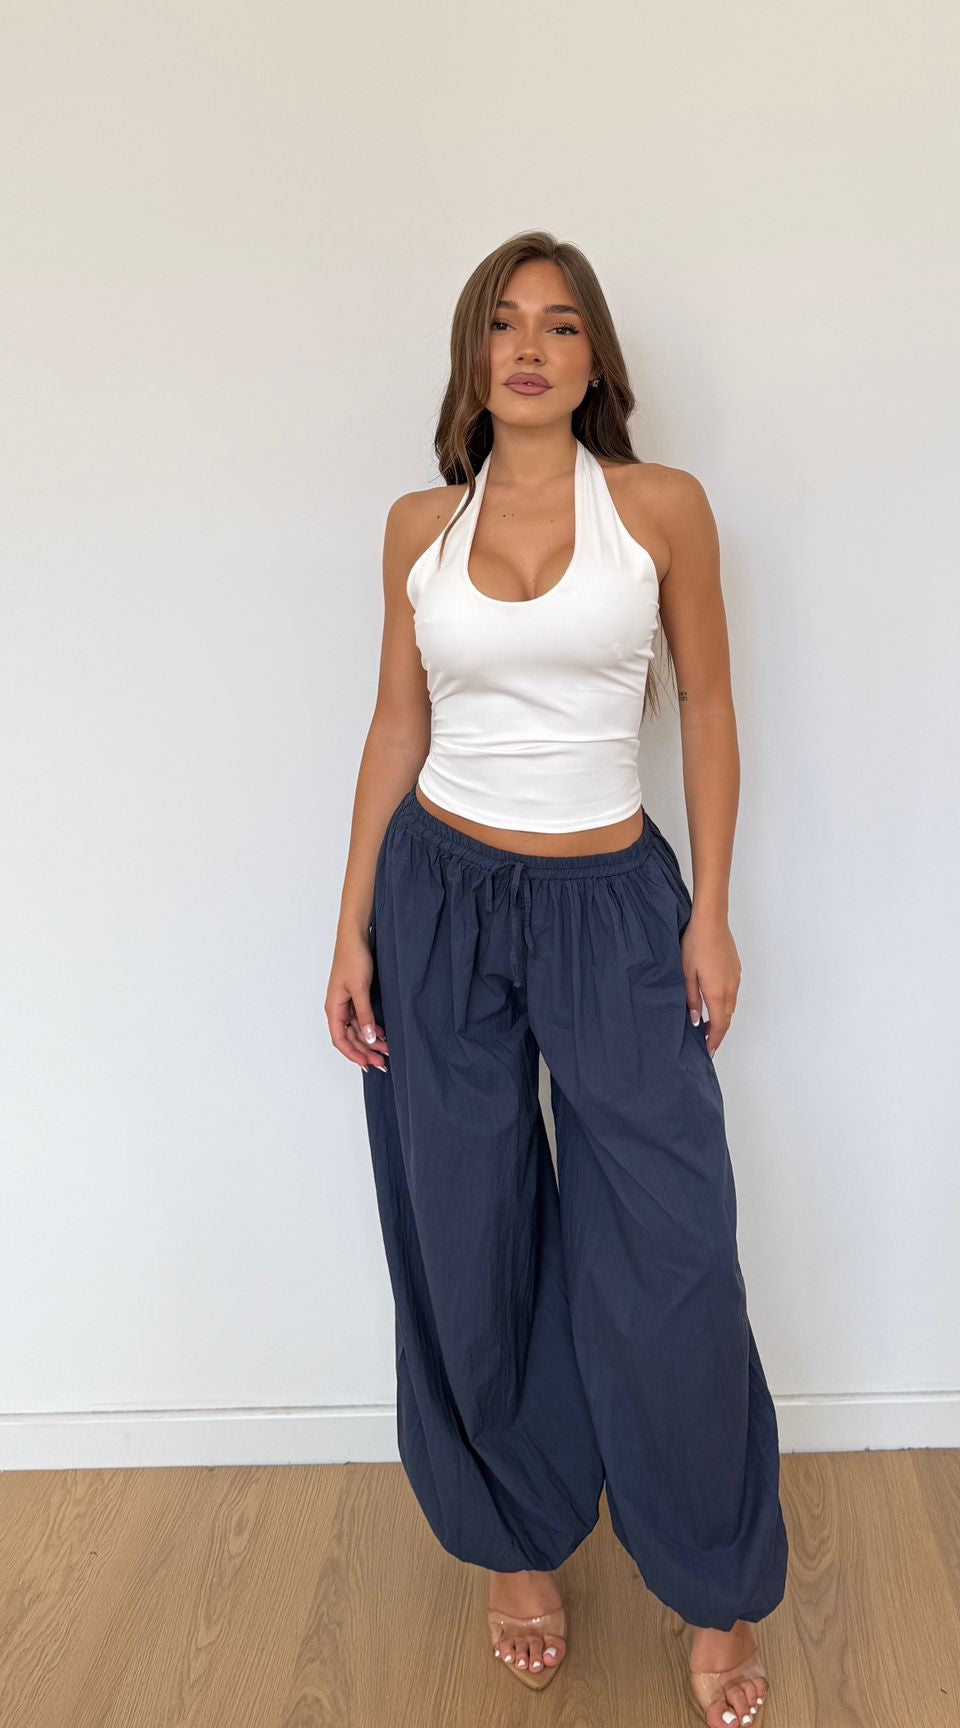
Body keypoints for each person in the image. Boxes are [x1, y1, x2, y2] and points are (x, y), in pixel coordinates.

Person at [325, 231, 788, 1728]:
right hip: (439, 898)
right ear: (473, 357)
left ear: (597, 362)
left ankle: (712, 1579)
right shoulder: (417, 528)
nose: (530, 347)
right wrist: (351, 926)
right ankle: (516, 1545)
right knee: (466, 1229)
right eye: (505, 323)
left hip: (614, 907)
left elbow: (706, 706)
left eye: (562, 324)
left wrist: (712, 913)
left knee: (671, 1245)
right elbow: (396, 727)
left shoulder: (659, 508)